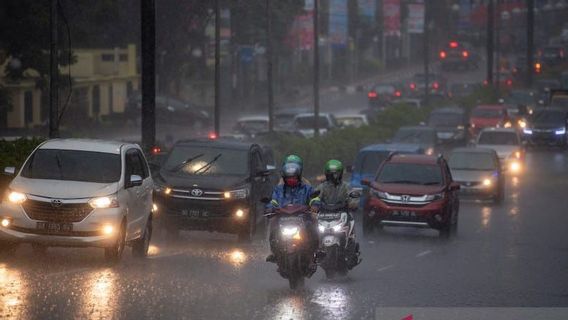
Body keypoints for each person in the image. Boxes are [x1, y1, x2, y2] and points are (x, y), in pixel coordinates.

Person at [266, 161, 320, 264]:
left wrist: (314, 205)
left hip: (302, 217)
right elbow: (273, 201)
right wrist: (270, 208)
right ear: (284, 178)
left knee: (313, 225)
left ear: (299, 177)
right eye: (288, 178)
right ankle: (274, 252)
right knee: (273, 226)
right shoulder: (278, 189)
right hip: (282, 217)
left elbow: (314, 198)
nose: (291, 180)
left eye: (294, 178)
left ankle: (317, 250)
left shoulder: (306, 188)